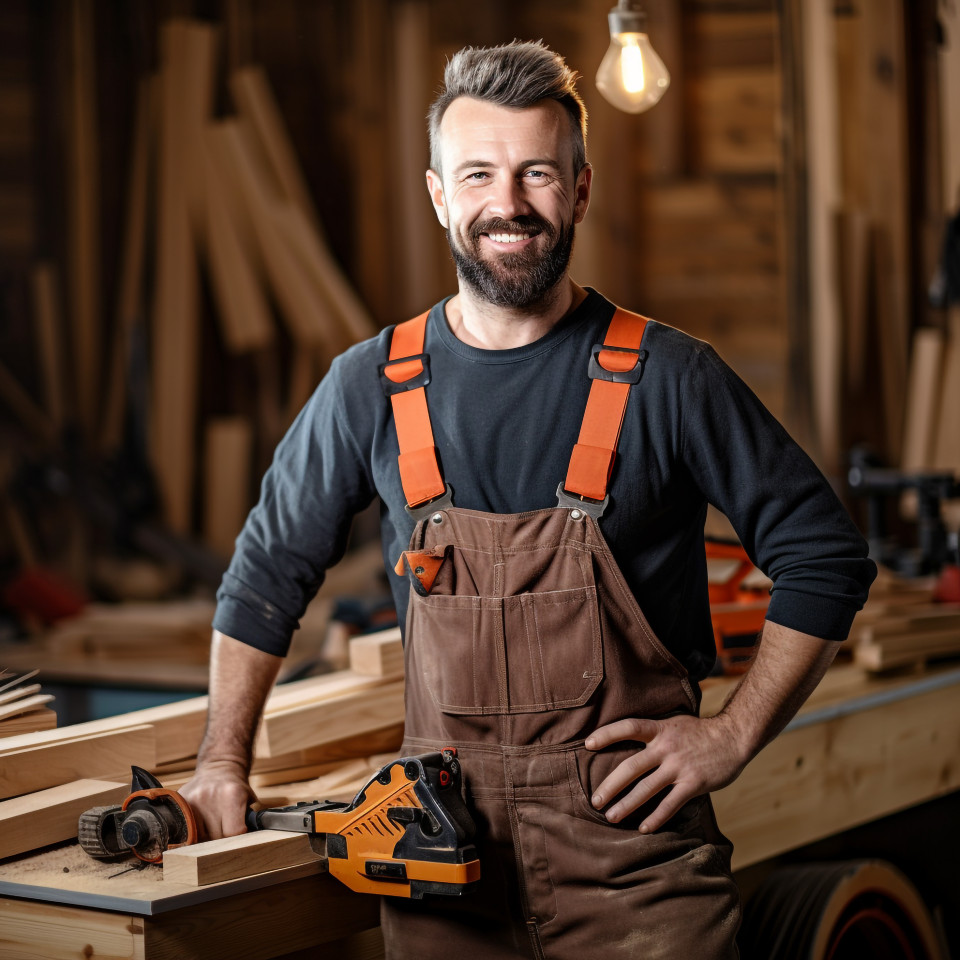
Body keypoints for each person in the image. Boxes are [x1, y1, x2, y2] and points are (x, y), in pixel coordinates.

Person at [180, 40, 876, 959]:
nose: (506, 205)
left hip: (637, 877)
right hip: (439, 873)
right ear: (439, 195)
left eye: (536, 173)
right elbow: (266, 574)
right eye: (478, 174)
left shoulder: (669, 377)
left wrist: (733, 735)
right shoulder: (371, 386)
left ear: (579, 191)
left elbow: (825, 556)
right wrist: (221, 761)